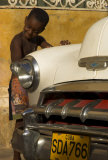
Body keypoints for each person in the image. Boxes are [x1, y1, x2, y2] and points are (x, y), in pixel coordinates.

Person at [9, 8, 70, 160]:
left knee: (32, 118)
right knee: (20, 121)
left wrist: (61, 47)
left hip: (32, 84)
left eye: (35, 31)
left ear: (42, 29)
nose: (30, 33)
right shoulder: (17, 41)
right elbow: (18, 66)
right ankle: (16, 155)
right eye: (28, 28)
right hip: (19, 84)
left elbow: (49, 50)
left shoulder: (38, 39)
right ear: (25, 20)